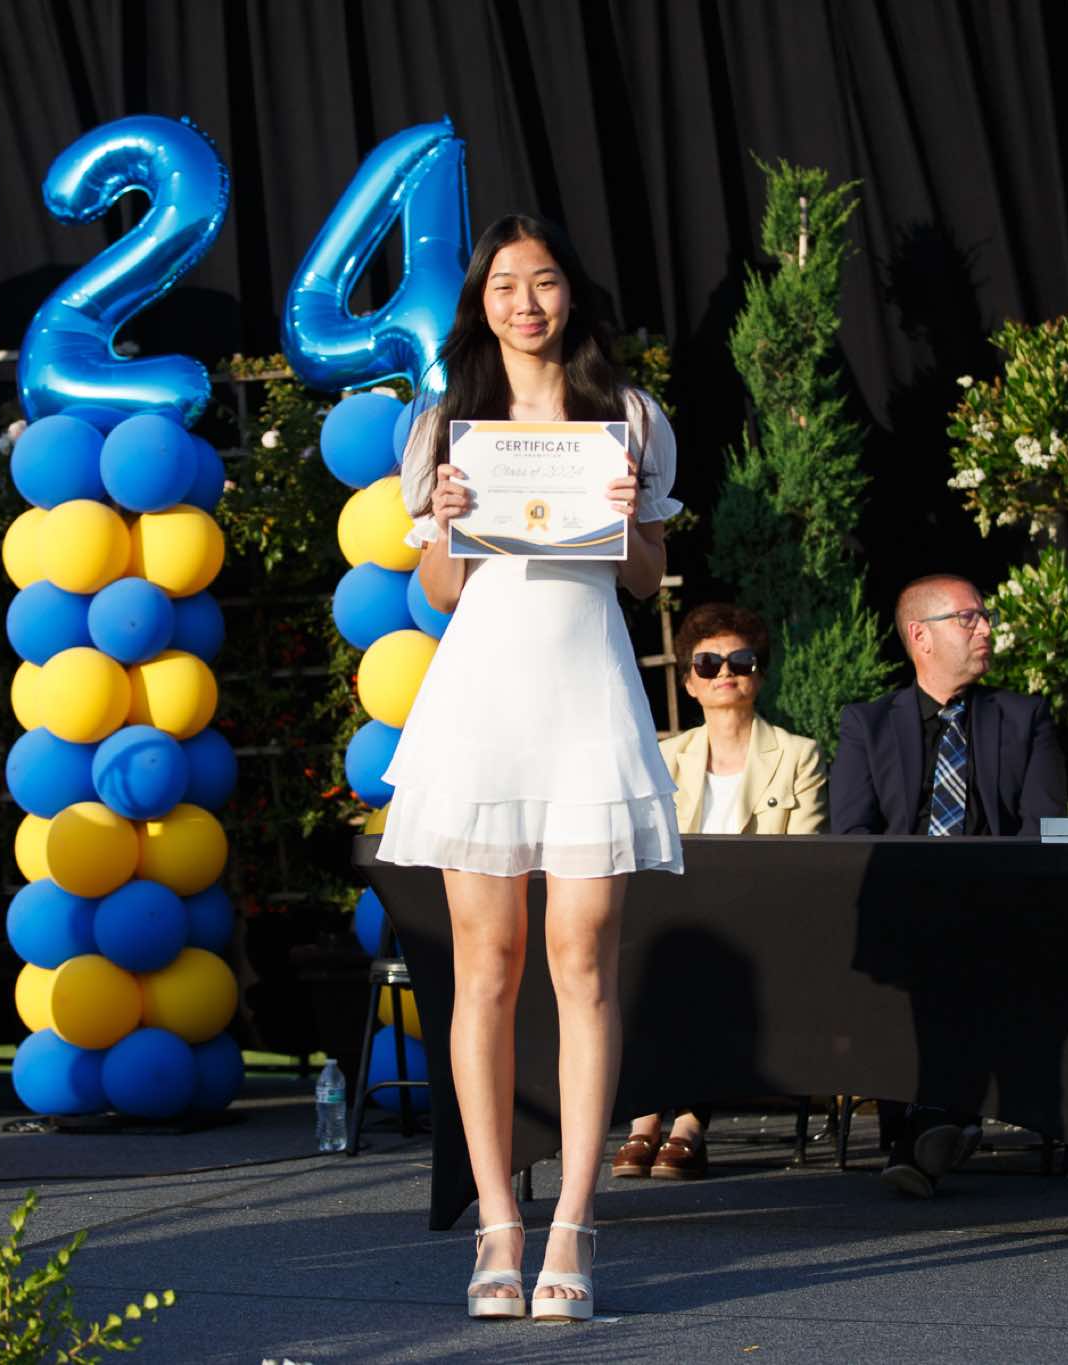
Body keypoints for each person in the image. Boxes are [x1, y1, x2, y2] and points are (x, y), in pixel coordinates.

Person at [376, 213, 682, 1320]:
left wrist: (629, 517)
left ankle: (576, 1224)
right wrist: (450, 522)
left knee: (582, 956)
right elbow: (439, 591)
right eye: (505, 284)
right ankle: (499, 1225)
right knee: (487, 962)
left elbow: (644, 577)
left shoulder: (628, 416)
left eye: (543, 281)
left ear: (570, 294)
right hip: (483, 705)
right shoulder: (443, 425)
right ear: (481, 303)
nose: (525, 303)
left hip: (587, 697)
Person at [829, 573, 1068, 1196]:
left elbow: (1041, 830)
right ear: (921, 636)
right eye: (968, 618)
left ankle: (923, 1127)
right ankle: (941, 1120)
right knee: (913, 938)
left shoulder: (1025, 719)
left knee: (965, 940)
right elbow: (852, 834)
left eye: (984, 617)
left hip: (1000, 906)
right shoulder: (867, 724)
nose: (985, 628)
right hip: (902, 910)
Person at [612, 603, 827, 1182]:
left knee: (703, 965)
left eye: (740, 661)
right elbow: (644, 855)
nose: (724, 673)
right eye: (708, 663)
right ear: (689, 681)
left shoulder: (799, 755)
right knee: (655, 955)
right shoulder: (664, 758)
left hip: (762, 924)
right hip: (676, 921)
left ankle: (682, 1123)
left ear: (760, 673)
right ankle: (649, 1117)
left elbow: (804, 863)